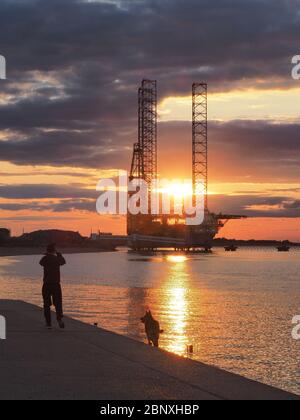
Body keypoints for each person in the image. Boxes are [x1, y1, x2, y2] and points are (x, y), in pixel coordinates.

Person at [40, 244, 66, 329]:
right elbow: (63, 262)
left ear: (47, 250)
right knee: (58, 303)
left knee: (46, 304)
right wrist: (59, 254)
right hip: (56, 284)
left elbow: (41, 263)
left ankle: (48, 323)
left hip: (47, 284)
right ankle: (59, 319)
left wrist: (47, 254)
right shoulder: (57, 259)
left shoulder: (45, 259)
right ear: (54, 250)